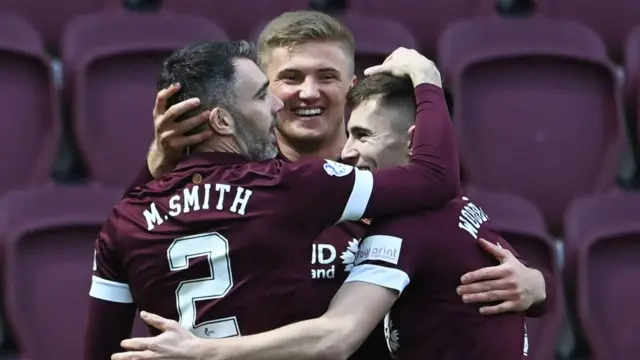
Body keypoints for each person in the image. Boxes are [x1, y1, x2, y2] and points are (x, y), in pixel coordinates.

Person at [133, 10, 551, 321]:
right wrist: (157, 163)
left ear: (351, 87)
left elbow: (483, 251)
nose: (308, 93)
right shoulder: (227, 189)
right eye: (291, 77)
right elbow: (128, 245)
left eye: (326, 76)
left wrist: (535, 285)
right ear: (265, 90)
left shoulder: (400, 181)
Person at [111, 69, 529, 360]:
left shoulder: (406, 225)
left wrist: (201, 351)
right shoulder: (465, 211)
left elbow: (335, 337)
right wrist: (539, 288)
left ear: (416, 142)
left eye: (363, 135)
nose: (347, 151)